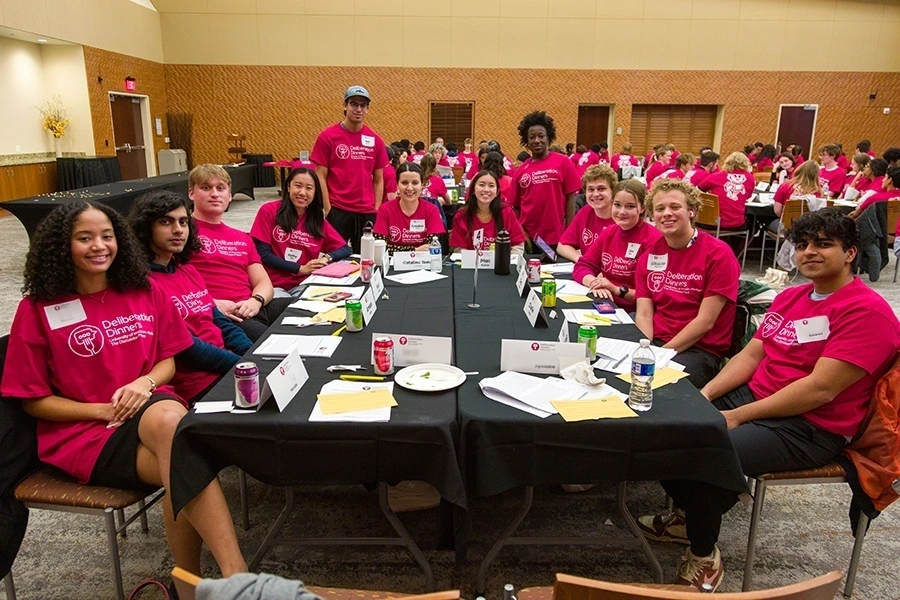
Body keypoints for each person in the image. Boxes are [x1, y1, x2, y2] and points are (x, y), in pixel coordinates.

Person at [638, 209, 900, 591]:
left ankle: (703, 554)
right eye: (803, 244)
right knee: (669, 420)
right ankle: (691, 514)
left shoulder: (867, 312)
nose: (809, 252)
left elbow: (820, 390)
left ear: (850, 253)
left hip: (810, 426)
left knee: (705, 449)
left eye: (824, 244)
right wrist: (705, 396)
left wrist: (738, 416)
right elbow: (750, 356)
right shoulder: (793, 296)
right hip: (760, 398)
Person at [2, 201, 248, 579]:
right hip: (85, 432)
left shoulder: (144, 290)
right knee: (188, 458)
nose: (99, 246)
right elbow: (33, 400)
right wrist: (101, 411)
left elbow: (169, 358)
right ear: (60, 246)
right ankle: (230, 579)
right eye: (84, 238)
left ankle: (213, 581)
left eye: (107, 236)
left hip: (150, 404)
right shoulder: (36, 309)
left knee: (171, 425)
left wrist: (144, 381)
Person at [128, 191, 253, 403]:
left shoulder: (187, 270)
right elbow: (187, 348)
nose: (178, 230)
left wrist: (251, 354)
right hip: (197, 383)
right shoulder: (142, 284)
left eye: (183, 222)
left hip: (227, 366)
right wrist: (242, 364)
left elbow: (220, 321)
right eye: (166, 222)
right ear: (146, 227)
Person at [635, 179, 740, 388]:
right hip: (657, 342)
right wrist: (645, 350)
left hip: (699, 350)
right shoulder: (649, 255)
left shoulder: (718, 255)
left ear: (691, 211)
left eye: (675, 207)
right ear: (652, 215)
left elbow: (705, 322)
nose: (666, 213)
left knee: (653, 385)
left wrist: (662, 355)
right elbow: (644, 314)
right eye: (660, 209)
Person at [187, 164, 293, 341]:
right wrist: (210, 304)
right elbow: (170, 285)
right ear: (191, 193)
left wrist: (256, 300)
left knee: (308, 310)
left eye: (220, 188)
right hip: (223, 313)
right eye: (206, 188)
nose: (214, 194)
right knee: (277, 343)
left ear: (229, 195)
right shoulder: (184, 234)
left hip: (254, 305)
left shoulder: (241, 237)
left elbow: (263, 282)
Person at [249, 168, 352, 296]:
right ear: (288, 187)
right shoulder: (269, 211)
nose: (302, 192)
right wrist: (300, 269)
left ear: (315, 193)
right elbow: (263, 254)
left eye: (309, 188)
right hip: (272, 285)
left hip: (304, 283)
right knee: (285, 309)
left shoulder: (316, 221)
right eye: (298, 186)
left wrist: (326, 258)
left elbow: (345, 249)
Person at [311, 85, 388, 252]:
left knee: (366, 259)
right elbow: (320, 175)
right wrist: (327, 208)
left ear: (367, 109)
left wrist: (376, 209)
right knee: (334, 259)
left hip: (366, 211)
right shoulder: (328, 137)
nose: (358, 109)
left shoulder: (375, 140)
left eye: (363, 105)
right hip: (338, 209)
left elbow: (379, 179)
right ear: (345, 105)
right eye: (354, 104)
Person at [573, 179, 662, 311]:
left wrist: (616, 290)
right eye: (617, 205)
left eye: (630, 206)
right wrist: (595, 283)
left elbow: (654, 295)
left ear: (642, 208)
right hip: (606, 302)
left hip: (636, 311)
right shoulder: (609, 232)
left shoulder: (653, 240)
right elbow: (583, 266)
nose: (622, 211)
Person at [510, 111, 581, 248]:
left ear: (548, 138)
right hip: (529, 239)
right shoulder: (520, 171)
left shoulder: (563, 162)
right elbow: (516, 207)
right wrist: (520, 231)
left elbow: (571, 198)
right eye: (532, 137)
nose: (537, 140)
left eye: (541, 136)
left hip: (557, 236)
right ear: (527, 141)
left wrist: (569, 232)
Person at [373, 162, 445, 253]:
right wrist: (414, 250)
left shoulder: (432, 210)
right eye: (404, 183)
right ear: (397, 184)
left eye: (415, 183)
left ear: (422, 185)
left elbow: (432, 246)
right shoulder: (385, 210)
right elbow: (380, 248)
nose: (410, 188)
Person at [449, 169, 526, 254]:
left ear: (497, 192)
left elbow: (518, 245)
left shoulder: (506, 212)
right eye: (481, 185)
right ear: (473, 190)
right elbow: (459, 250)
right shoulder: (462, 215)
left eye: (491, 186)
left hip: (501, 265)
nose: (486, 189)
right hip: (472, 265)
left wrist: (507, 262)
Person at [556, 164, 617, 261]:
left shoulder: (622, 217)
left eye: (601, 188)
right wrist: (581, 260)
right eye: (591, 189)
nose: (595, 194)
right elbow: (562, 246)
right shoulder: (585, 212)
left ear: (613, 191)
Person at [698, 151, 755, 230]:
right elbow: (748, 197)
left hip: (710, 221)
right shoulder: (750, 178)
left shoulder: (716, 176)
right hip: (735, 223)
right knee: (753, 223)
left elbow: (698, 191)